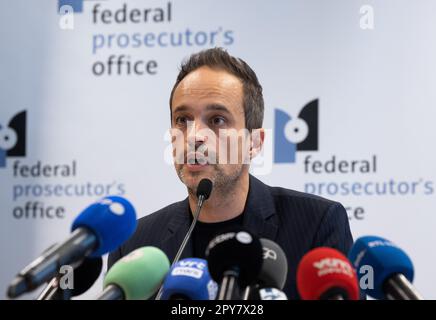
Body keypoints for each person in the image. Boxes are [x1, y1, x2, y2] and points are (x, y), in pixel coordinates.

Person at [108, 47, 354, 299]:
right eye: (182, 119)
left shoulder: (317, 225)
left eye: (217, 120)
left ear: (254, 142)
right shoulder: (135, 245)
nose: (194, 136)